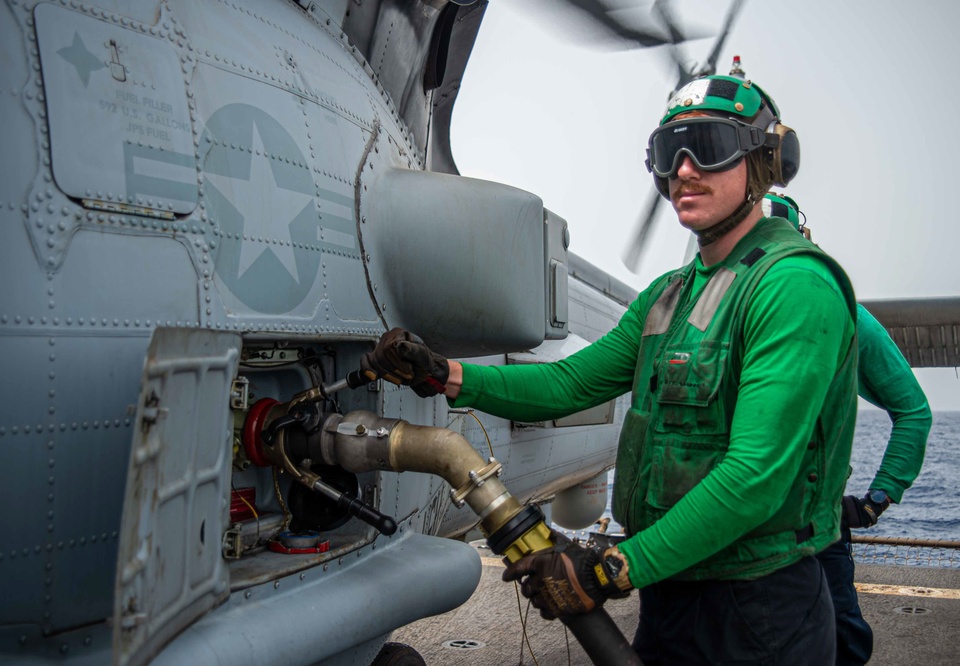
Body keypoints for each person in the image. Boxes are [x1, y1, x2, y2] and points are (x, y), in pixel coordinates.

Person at [361, 75, 858, 664]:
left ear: (765, 161)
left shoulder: (794, 285)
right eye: (670, 153)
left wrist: (609, 571)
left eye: (710, 146)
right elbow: (569, 383)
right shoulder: (669, 295)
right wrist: (445, 376)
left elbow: (753, 477)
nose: (685, 171)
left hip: (760, 608)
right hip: (673, 593)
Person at [762, 192, 932, 665]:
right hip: (728, 524)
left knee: (839, 640)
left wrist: (877, 500)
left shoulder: (844, 314)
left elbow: (914, 412)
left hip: (813, 522)